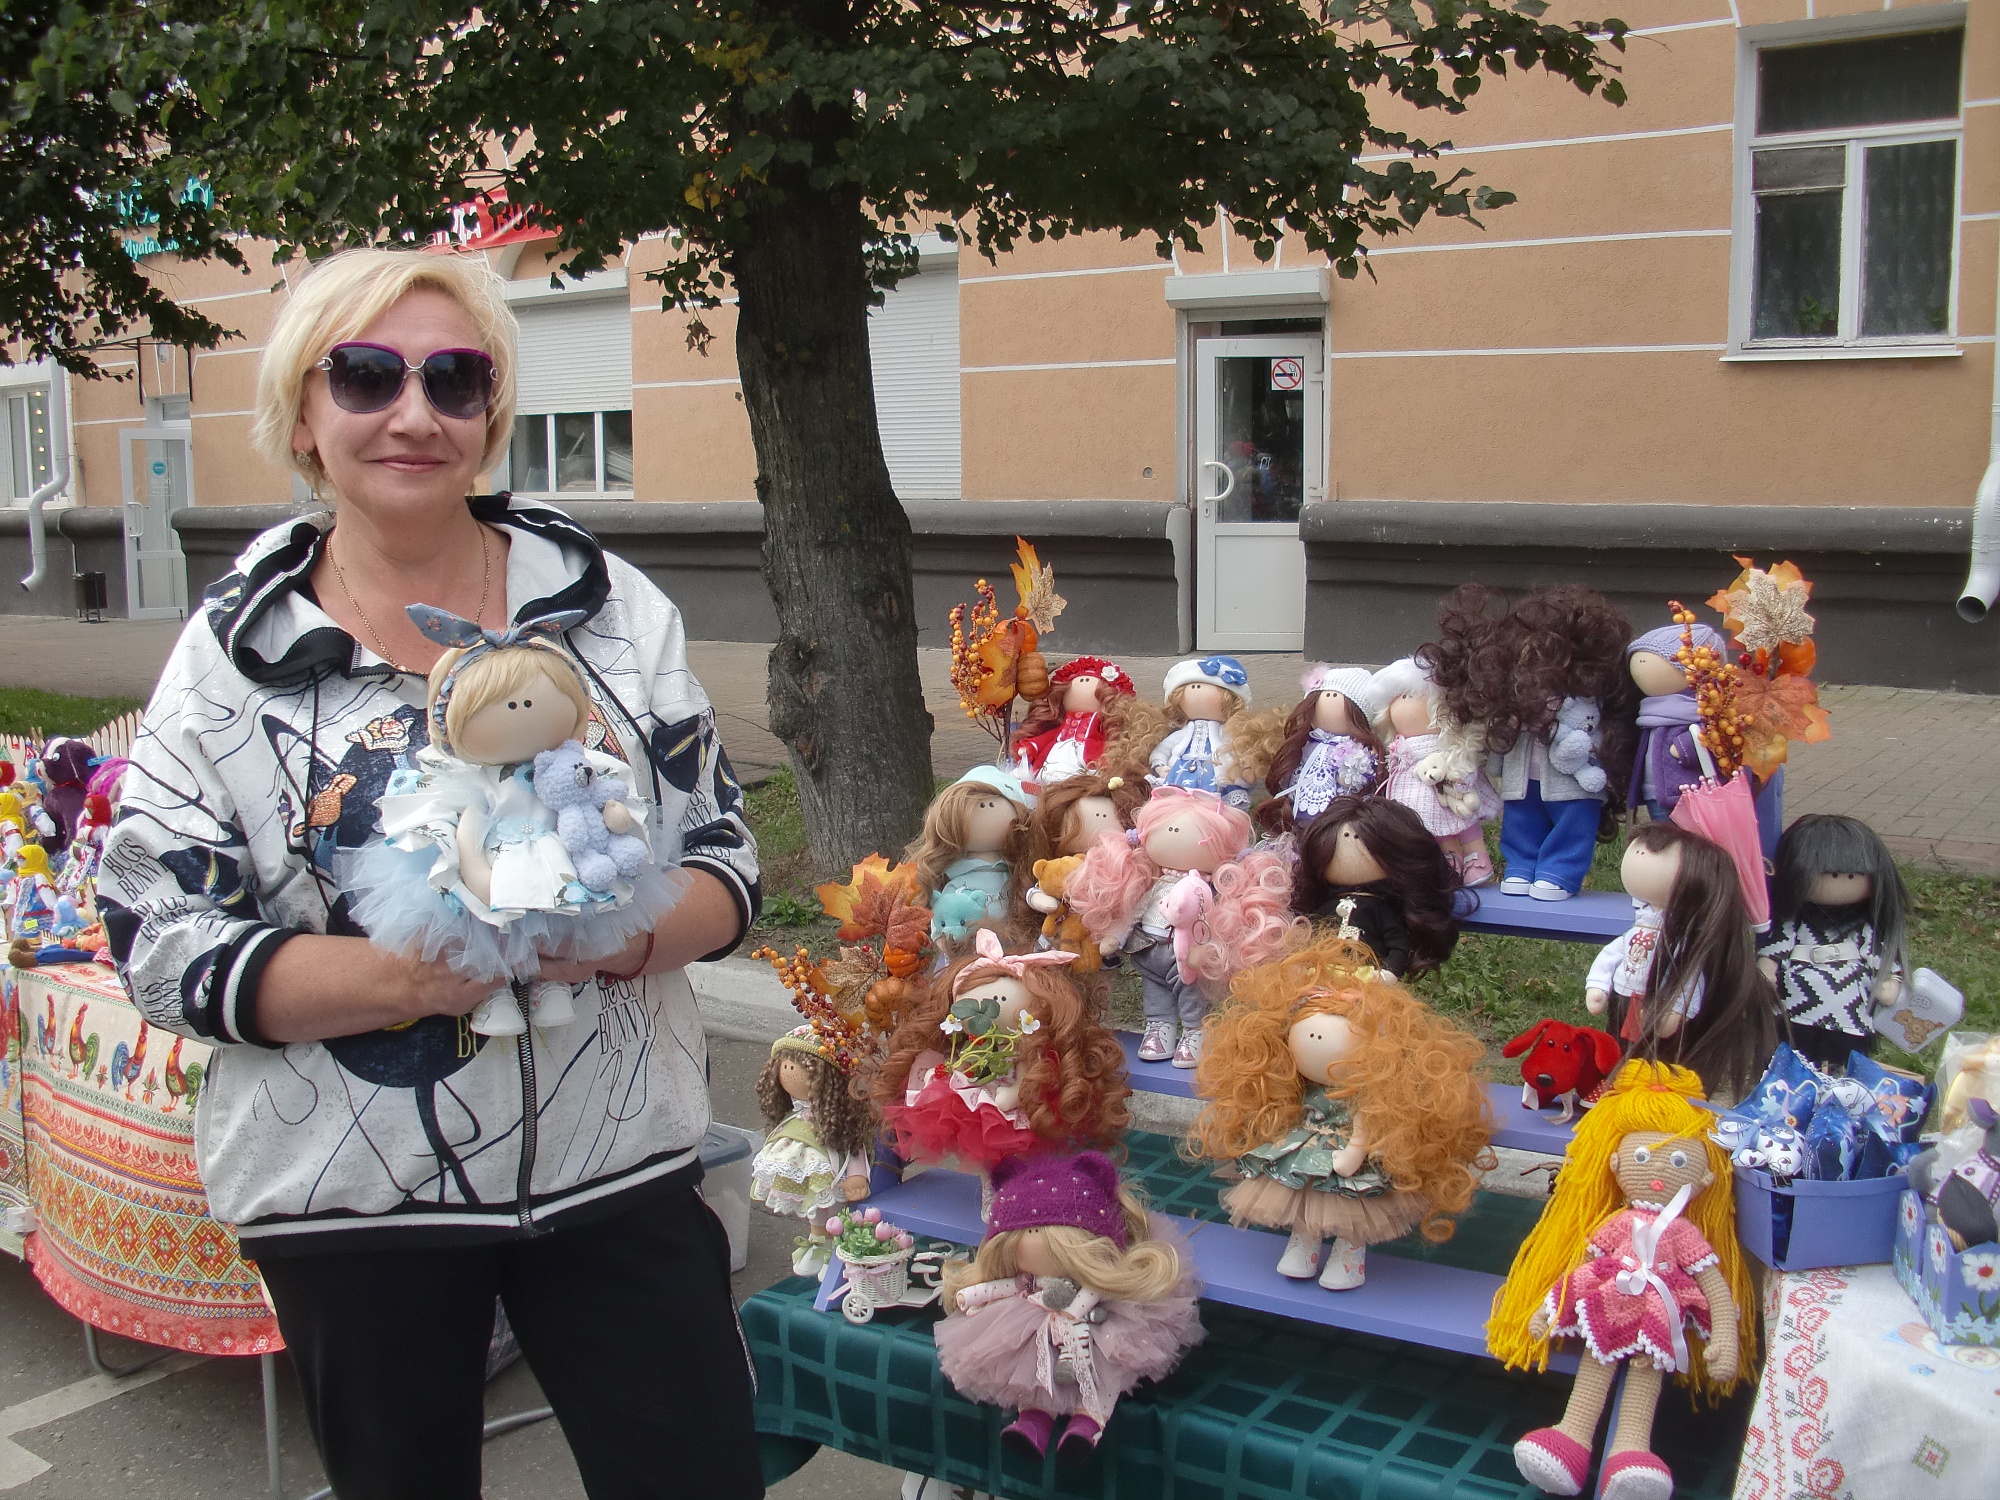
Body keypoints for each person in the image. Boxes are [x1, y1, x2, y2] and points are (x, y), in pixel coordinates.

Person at [95, 248, 764, 1500]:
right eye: (365, 376)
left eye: (455, 379)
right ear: (303, 412)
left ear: (489, 414)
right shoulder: (234, 654)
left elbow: (725, 861)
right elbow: (159, 938)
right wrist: (414, 976)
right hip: (353, 1202)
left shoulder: (610, 610)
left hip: (619, 1170)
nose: (413, 413)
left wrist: (609, 933)